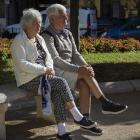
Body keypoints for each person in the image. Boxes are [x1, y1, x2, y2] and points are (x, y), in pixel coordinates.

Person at [11, 8, 99, 140]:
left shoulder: (39, 38)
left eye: (40, 23)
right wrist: (44, 70)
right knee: (61, 82)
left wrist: (49, 69)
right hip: (27, 79)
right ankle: (78, 117)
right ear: (27, 24)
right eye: (36, 23)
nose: (39, 26)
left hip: (43, 76)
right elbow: (22, 64)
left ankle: (62, 132)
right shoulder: (19, 40)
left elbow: (49, 58)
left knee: (57, 92)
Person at [41, 4, 128, 135]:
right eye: (62, 15)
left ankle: (86, 122)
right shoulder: (47, 35)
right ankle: (105, 103)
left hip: (70, 70)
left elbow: (76, 55)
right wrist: (79, 70)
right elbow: (56, 60)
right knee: (84, 75)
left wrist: (87, 66)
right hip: (57, 71)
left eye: (66, 14)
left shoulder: (68, 33)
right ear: (52, 18)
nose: (66, 17)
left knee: (84, 84)